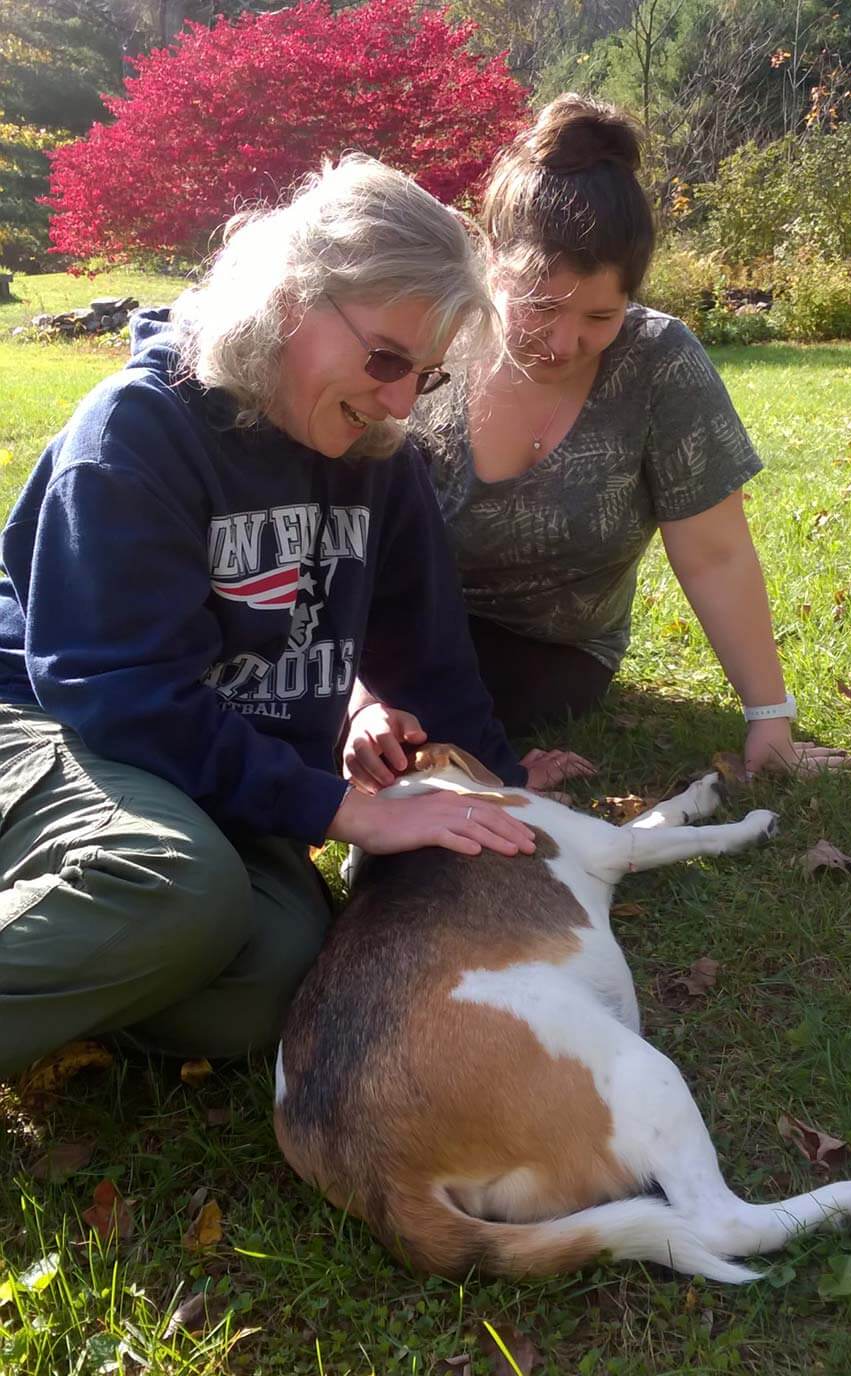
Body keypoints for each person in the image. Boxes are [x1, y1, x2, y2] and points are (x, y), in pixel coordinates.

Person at [0, 155, 585, 1079]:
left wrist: (506, 808)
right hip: (48, 719)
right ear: (288, 303)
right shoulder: (137, 433)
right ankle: (96, 912)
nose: (399, 402)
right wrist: (339, 808)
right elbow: (114, 694)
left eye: (424, 377)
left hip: (193, 757)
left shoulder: (377, 452)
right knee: (178, 888)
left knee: (278, 971)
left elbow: (430, 657)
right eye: (387, 359)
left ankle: (82, 959)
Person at [343, 95, 851, 793]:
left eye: (599, 315)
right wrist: (356, 694)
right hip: (392, 624)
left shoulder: (659, 362)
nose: (563, 342)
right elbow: (343, 522)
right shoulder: (434, 337)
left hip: (548, 654)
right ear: (489, 259)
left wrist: (770, 718)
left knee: (432, 716)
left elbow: (716, 553)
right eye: (539, 307)